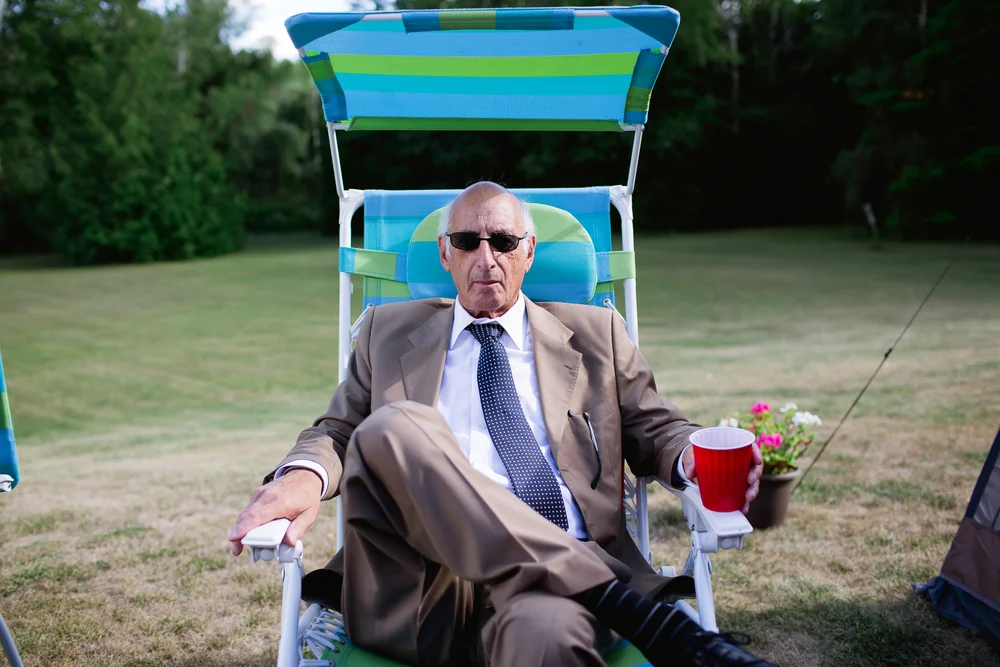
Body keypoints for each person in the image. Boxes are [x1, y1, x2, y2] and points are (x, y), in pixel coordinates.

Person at [229, 182, 771, 667]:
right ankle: (625, 606)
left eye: (504, 242)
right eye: (466, 242)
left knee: (549, 640)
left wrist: (692, 454)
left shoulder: (596, 334)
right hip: (420, 583)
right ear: (445, 254)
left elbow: (656, 428)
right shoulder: (386, 332)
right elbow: (339, 431)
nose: (485, 258)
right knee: (394, 427)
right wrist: (303, 474)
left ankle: (587, 592)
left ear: (529, 252)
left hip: (553, 601)